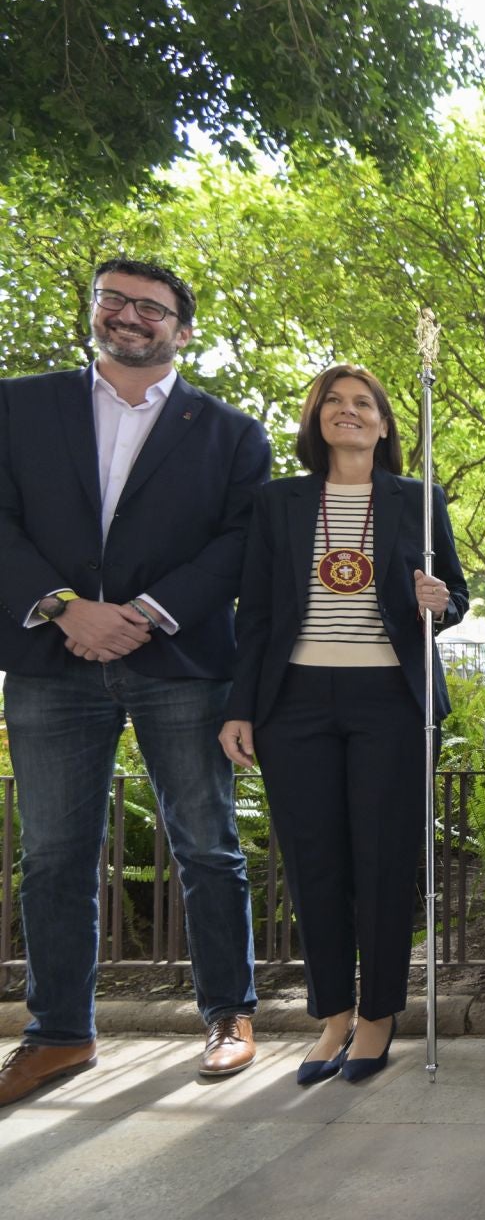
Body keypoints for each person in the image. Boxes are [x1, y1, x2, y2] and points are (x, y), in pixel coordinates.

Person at [0, 259, 268, 1109]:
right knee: (52, 856)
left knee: (207, 843)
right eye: (113, 300)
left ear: (182, 331)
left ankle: (229, 1015)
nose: (130, 316)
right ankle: (59, 1034)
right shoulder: (20, 405)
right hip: (53, 660)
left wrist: (145, 613)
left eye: (151, 308)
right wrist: (63, 607)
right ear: (95, 312)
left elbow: (237, 545)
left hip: (177, 664)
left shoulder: (230, 433)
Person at [219, 365, 467, 1084]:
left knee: (384, 860)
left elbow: (452, 599)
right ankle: (332, 1015)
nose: (349, 412)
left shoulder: (419, 500)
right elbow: (256, 612)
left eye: (364, 404)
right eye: (334, 402)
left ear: (386, 425)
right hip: (294, 701)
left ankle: (381, 1015)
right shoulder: (279, 503)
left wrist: (438, 600)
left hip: (388, 698)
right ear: (315, 419)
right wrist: (241, 706)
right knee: (314, 863)